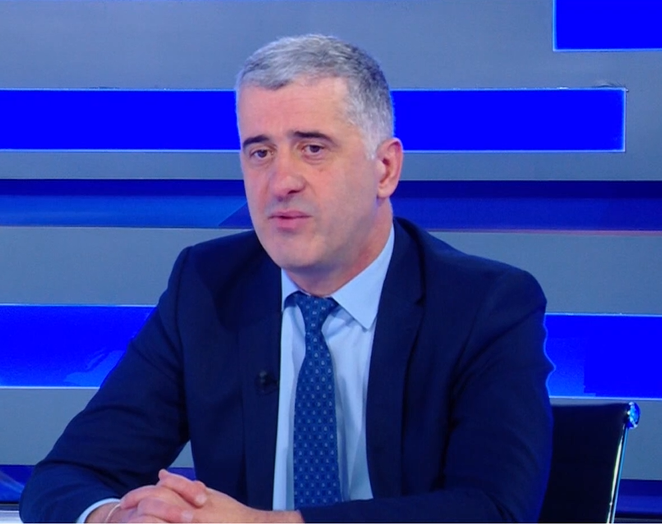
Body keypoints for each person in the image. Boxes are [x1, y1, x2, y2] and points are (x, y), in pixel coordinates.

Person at [20, 34, 553, 523]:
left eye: (312, 148)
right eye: (260, 152)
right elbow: (66, 477)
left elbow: (492, 511)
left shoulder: (485, 306)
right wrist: (120, 518)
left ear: (385, 169)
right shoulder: (206, 288)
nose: (281, 182)